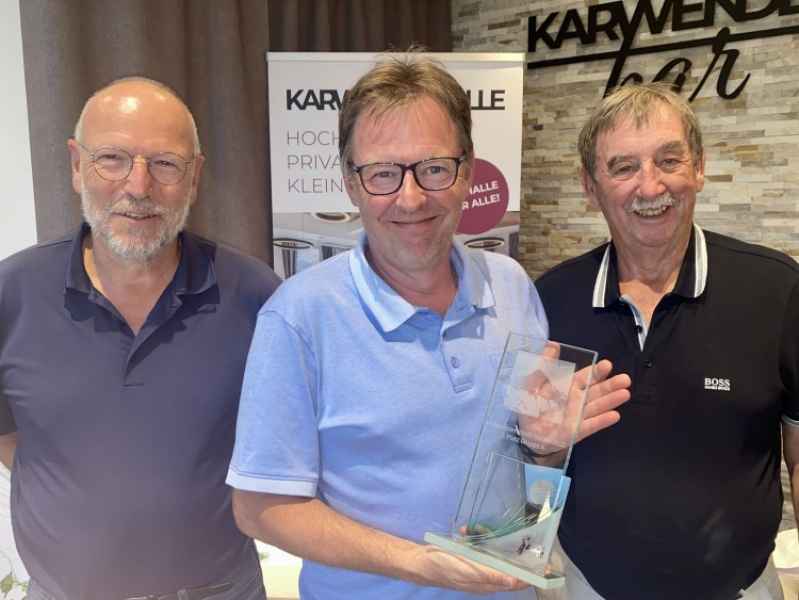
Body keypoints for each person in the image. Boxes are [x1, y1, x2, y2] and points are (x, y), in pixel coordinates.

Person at [226, 53, 630, 600]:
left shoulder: (512, 285)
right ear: (350, 184)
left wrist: (546, 449)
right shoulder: (298, 317)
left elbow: (535, 466)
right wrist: (421, 564)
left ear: (468, 171)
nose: (411, 198)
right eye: (383, 174)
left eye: (434, 168)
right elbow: (260, 508)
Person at [0, 77, 280, 599]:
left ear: (194, 177)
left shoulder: (255, 295)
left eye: (166, 163)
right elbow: (13, 440)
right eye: (112, 159)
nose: (138, 186)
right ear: (76, 165)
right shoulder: (10, 294)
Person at [535, 83, 799, 600]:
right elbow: (531, 463)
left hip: (743, 590)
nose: (650, 186)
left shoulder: (777, 288)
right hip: (590, 588)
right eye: (623, 167)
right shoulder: (551, 299)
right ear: (590, 186)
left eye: (669, 160)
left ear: (698, 167)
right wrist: (543, 450)